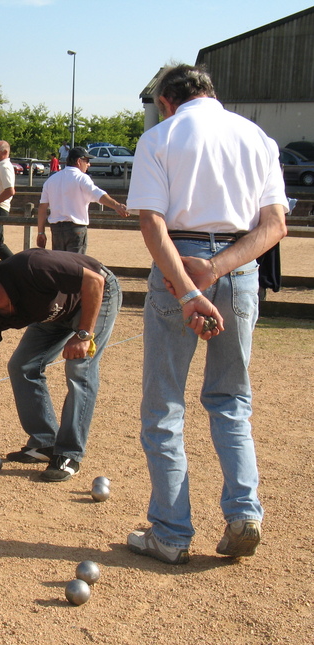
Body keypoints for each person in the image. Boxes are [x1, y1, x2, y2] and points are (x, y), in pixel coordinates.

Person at [125, 64, 288, 565]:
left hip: (178, 262)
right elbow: (275, 226)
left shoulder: (159, 137)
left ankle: (171, 534)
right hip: (238, 267)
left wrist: (187, 289)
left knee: (164, 406)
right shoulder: (257, 138)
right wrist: (217, 269)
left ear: (166, 101)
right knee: (231, 398)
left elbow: (152, 224)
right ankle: (244, 513)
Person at [0, 248, 121, 482]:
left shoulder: (31, 267)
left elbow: (94, 281)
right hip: (52, 311)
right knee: (22, 366)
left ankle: (69, 454)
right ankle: (45, 442)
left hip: (95, 294)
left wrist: (84, 335)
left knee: (79, 366)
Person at [37, 147, 128, 254]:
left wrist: (41, 232)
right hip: (76, 228)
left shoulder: (51, 180)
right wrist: (116, 205)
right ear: (79, 161)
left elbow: (42, 208)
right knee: (76, 263)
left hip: (56, 230)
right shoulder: (81, 178)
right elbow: (98, 194)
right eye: (87, 161)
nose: (89, 164)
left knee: (60, 262)